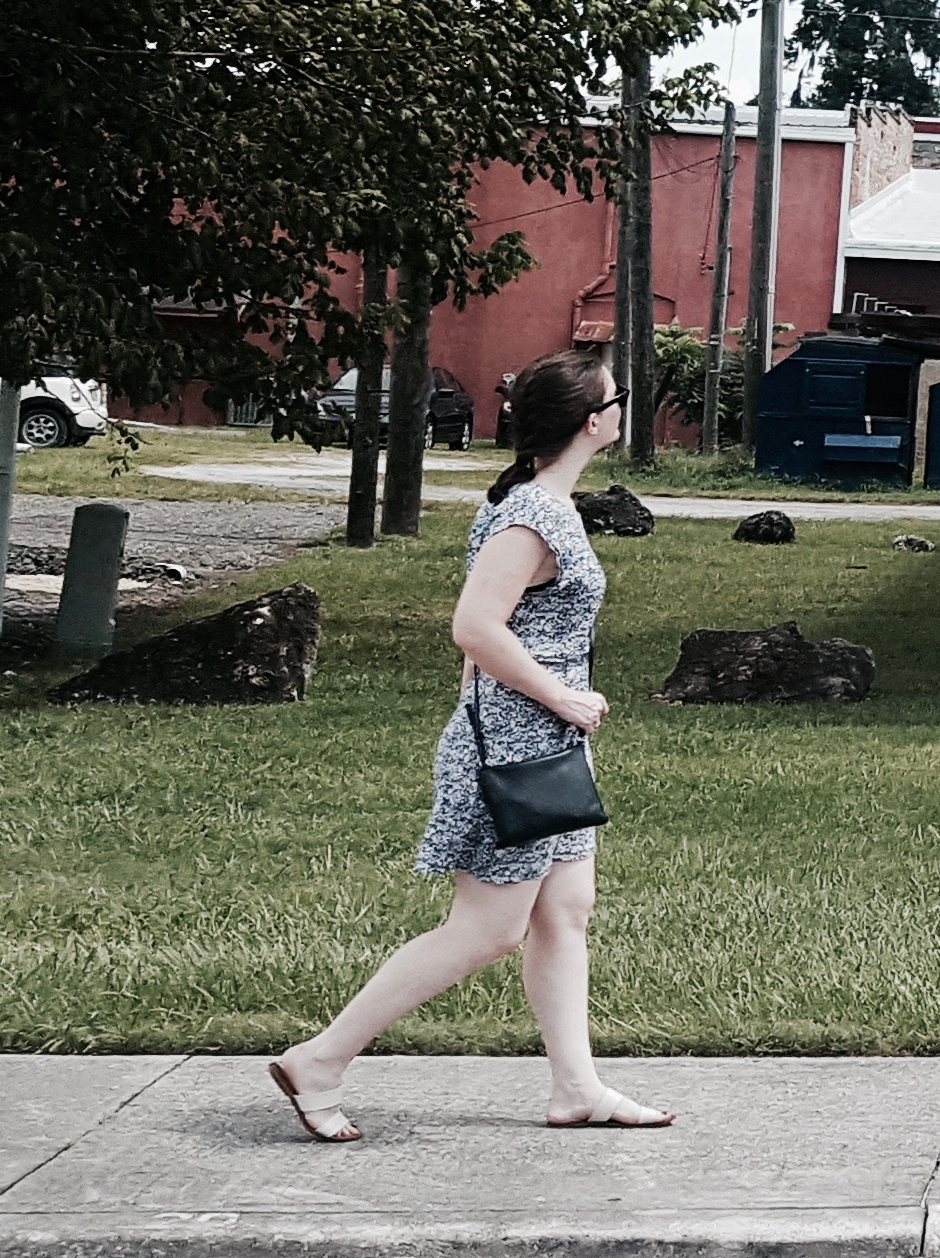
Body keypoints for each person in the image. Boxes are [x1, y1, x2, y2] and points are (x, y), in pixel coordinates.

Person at [264, 346, 673, 1138]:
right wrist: (558, 697)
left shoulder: (532, 499)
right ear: (594, 423)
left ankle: (576, 1089)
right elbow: (474, 628)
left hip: (544, 743)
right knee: (487, 928)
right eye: (617, 399)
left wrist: (558, 716)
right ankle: (321, 1058)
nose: (623, 407)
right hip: (515, 744)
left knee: (565, 912)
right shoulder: (531, 515)